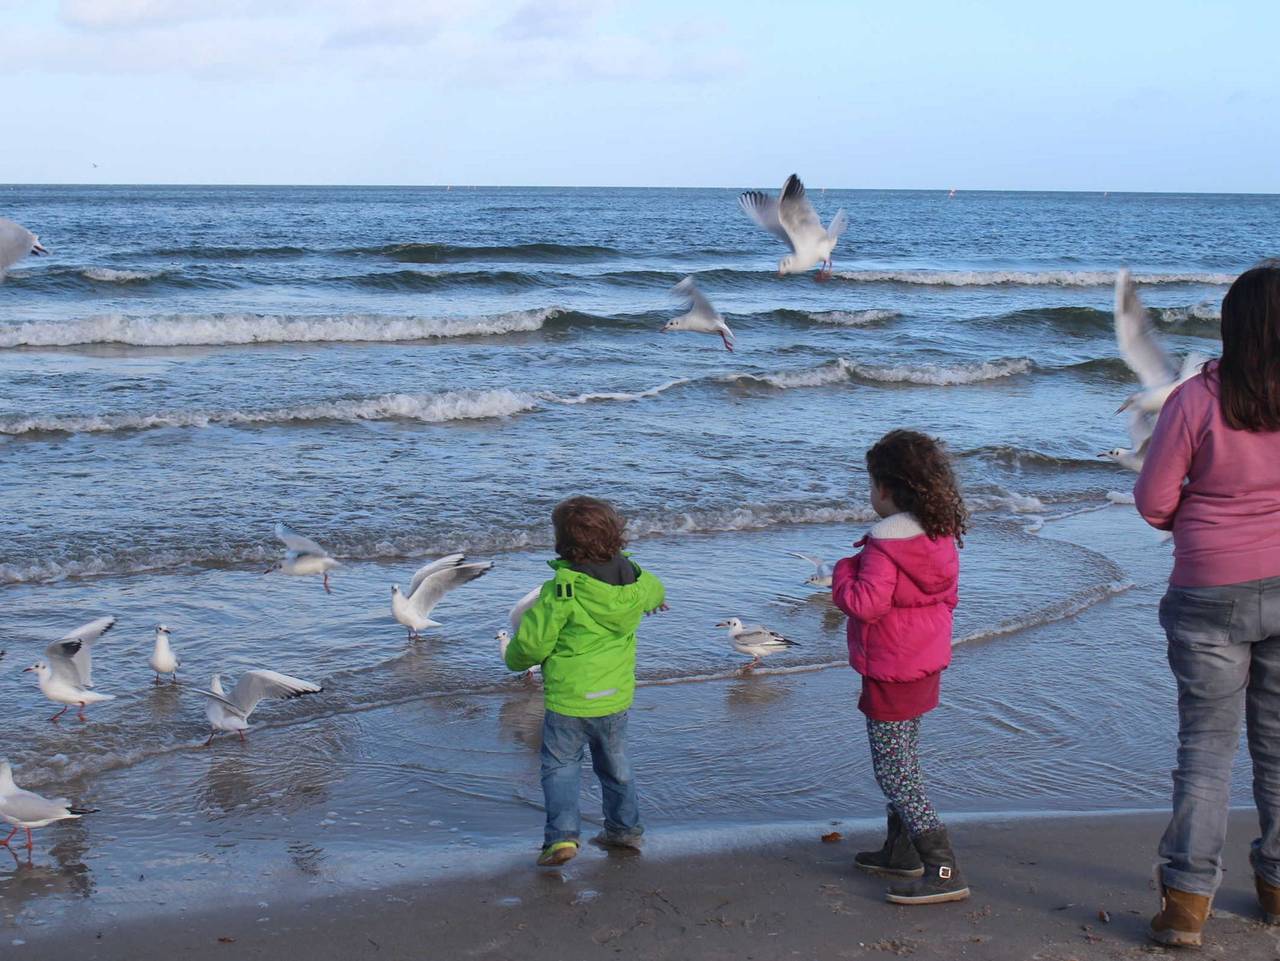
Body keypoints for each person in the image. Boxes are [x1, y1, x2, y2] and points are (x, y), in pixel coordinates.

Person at [1135, 263, 1280, 948]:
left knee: (1206, 748)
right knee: (1278, 747)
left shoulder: (1196, 400)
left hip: (1208, 588)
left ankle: (1188, 901)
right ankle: (1278, 887)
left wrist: (1200, 515)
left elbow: (1153, 501)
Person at [831, 428, 970, 905]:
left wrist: (843, 571)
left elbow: (865, 604)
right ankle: (901, 851)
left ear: (888, 490)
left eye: (872, 485)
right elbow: (946, 599)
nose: (870, 494)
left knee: (895, 771)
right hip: (922, 664)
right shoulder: (937, 536)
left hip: (890, 667)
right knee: (903, 757)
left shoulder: (885, 546)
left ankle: (943, 867)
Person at [503, 496, 666, 867]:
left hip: (569, 699)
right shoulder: (634, 581)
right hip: (614, 696)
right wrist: (653, 600)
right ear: (617, 536)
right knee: (616, 765)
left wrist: (513, 659)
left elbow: (531, 644)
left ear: (562, 542)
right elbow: (656, 590)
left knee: (560, 767)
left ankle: (562, 838)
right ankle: (624, 829)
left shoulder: (560, 591)